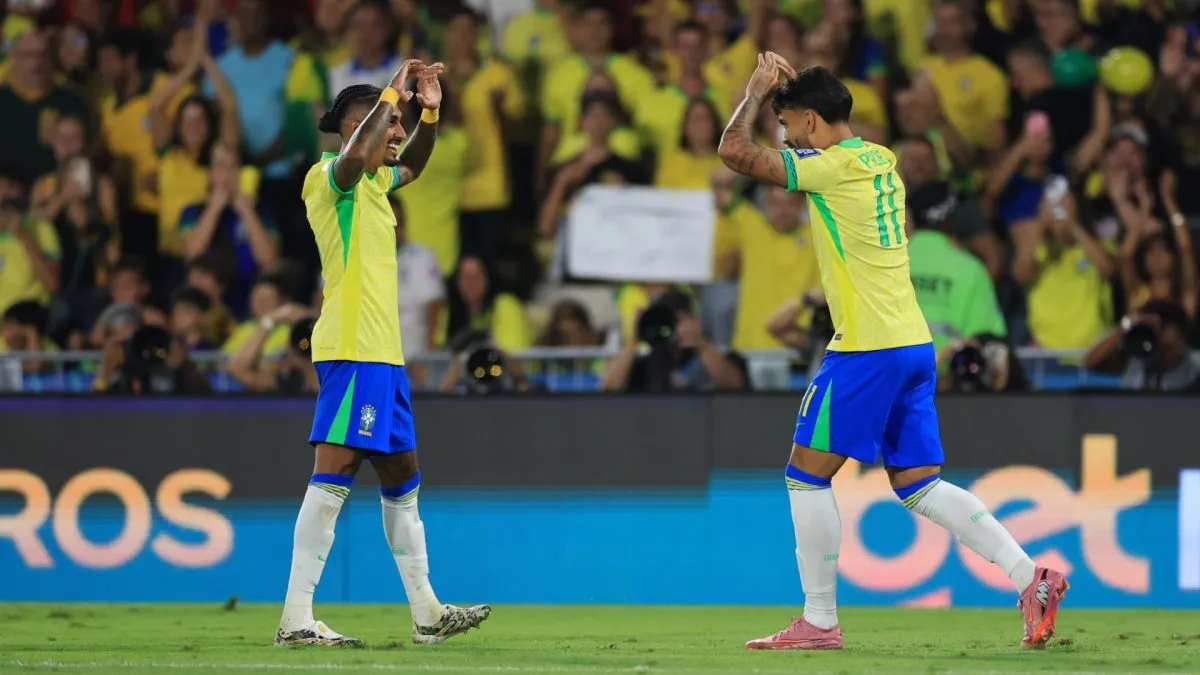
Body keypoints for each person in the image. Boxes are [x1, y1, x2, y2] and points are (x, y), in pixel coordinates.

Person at [716, 54, 1067, 650]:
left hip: (866, 347)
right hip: (912, 342)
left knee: (805, 476)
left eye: (788, 124)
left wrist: (753, 94)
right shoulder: (881, 160)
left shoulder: (829, 167)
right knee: (919, 484)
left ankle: (819, 621)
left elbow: (733, 152)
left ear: (810, 120)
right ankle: (1030, 577)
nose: (784, 136)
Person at [280, 60, 490, 647]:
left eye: (398, 123)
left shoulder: (376, 183)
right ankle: (295, 617)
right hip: (354, 349)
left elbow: (415, 164)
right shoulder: (329, 177)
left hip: (384, 357)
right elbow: (353, 159)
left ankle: (427, 612)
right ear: (355, 126)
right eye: (388, 123)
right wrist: (393, 95)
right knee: (334, 476)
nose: (397, 132)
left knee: (402, 478)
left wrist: (430, 112)